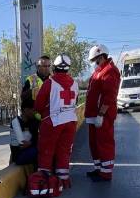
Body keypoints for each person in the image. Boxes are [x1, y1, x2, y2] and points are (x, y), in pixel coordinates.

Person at [34, 54, 78, 189]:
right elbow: (75, 102)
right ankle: (63, 180)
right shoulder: (75, 83)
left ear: (54, 68)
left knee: (46, 150)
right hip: (71, 121)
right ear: (68, 68)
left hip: (53, 122)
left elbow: (39, 105)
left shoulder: (49, 83)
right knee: (64, 151)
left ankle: (45, 181)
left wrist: (41, 114)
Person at [84, 44, 120, 182]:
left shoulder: (110, 71)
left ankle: (106, 173)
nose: (94, 63)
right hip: (93, 114)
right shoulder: (99, 71)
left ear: (102, 56)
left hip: (102, 115)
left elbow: (109, 96)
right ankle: (98, 168)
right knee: (94, 143)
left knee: (104, 143)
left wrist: (101, 114)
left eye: (95, 60)